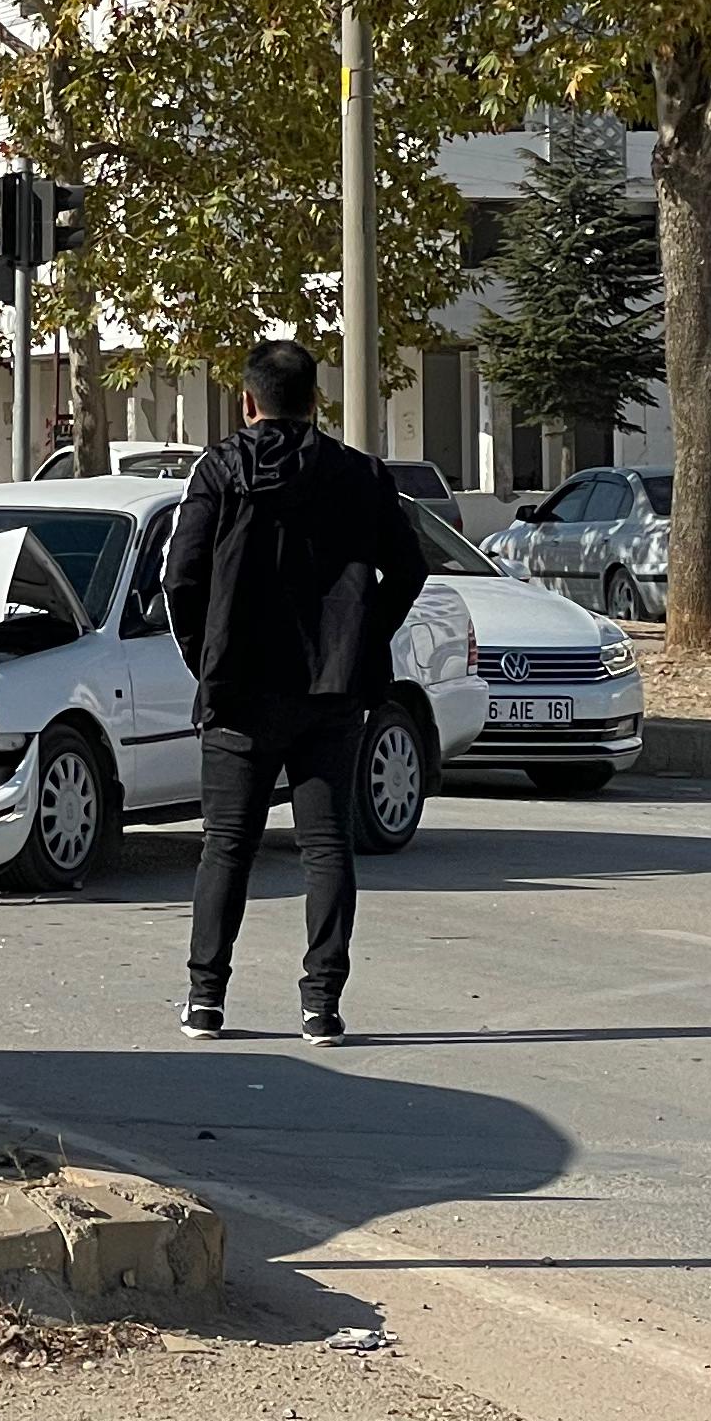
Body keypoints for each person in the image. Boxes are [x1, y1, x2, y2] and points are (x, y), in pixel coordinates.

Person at [158, 337, 428, 1047]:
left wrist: (205, 657)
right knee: (327, 845)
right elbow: (410, 568)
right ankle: (322, 1008)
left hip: (240, 690)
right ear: (316, 402)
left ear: (247, 403)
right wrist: (363, 640)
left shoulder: (217, 473)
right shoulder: (360, 475)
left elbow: (180, 578)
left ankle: (205, 1001)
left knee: (226, 846)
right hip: (330, 693)